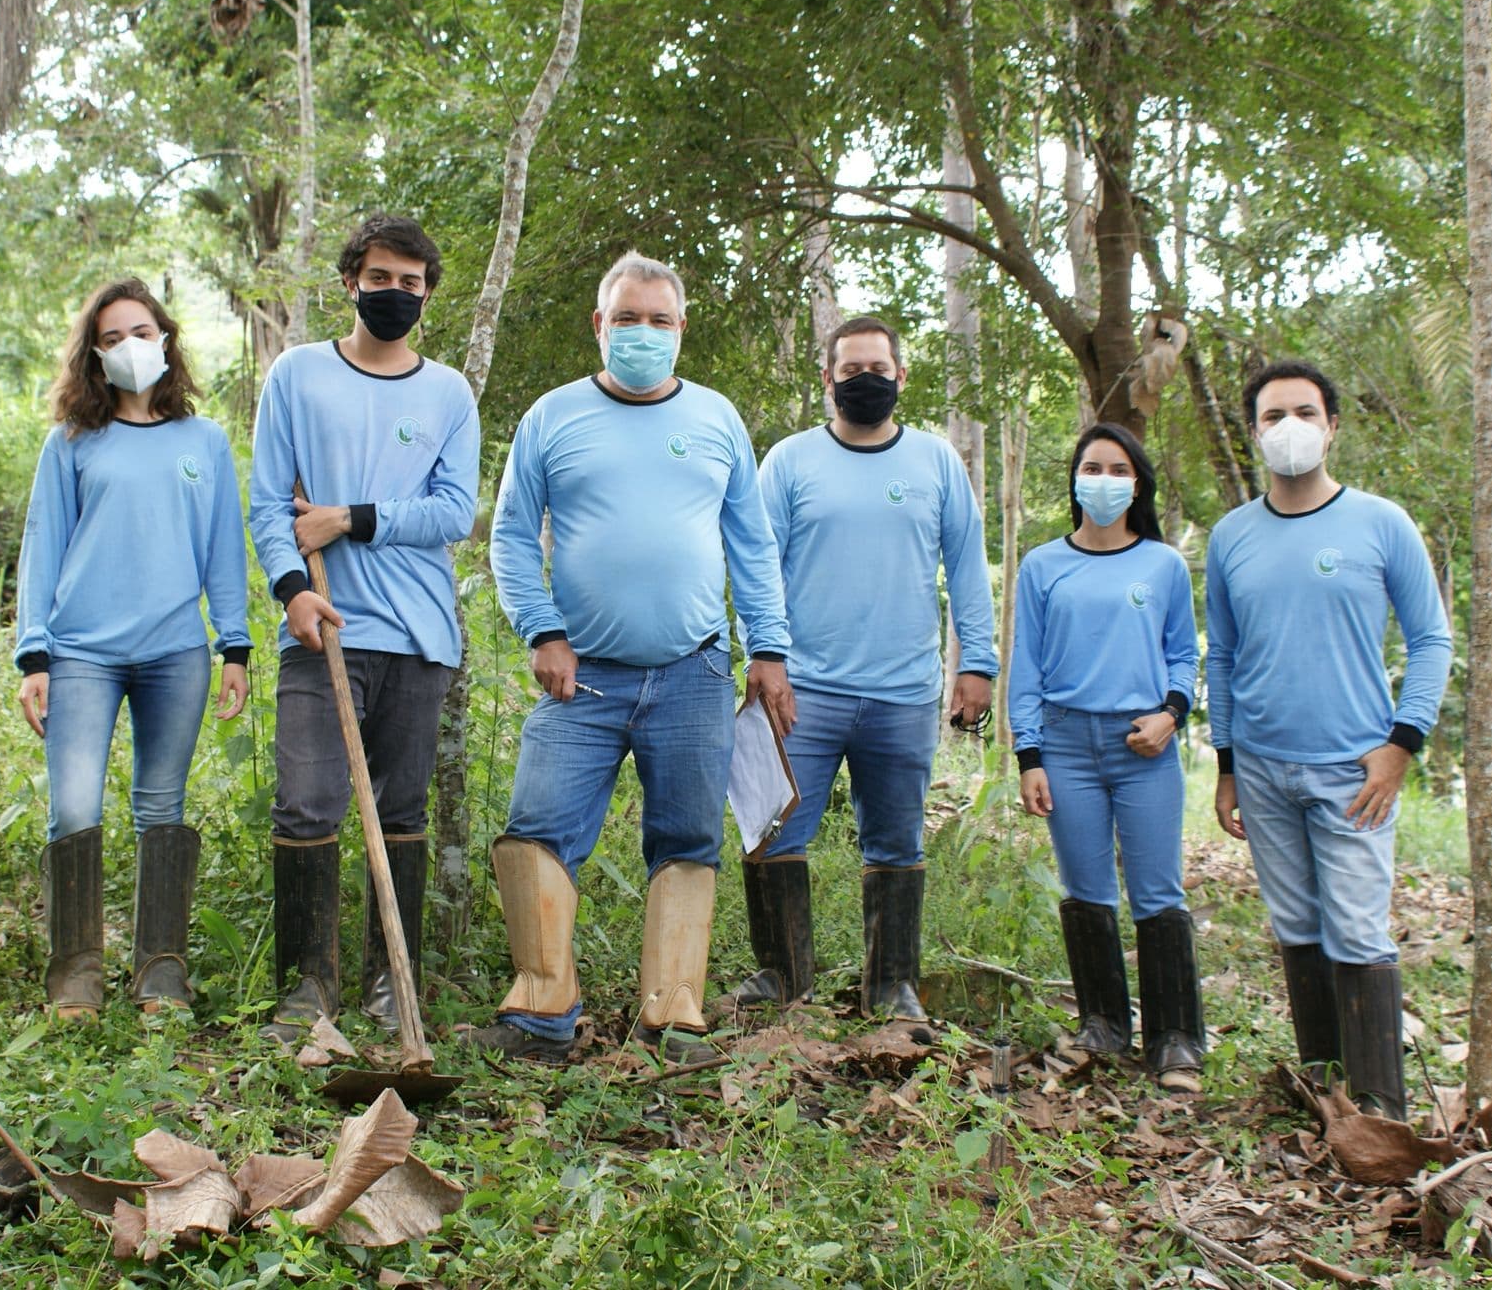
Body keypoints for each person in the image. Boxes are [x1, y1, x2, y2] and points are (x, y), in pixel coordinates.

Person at [468, 251, 795, 1064]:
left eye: (658, 320)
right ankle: (543, 1007)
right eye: (626, 318)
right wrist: (541, 630)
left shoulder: (717, 419)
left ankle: (672, 1012)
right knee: (536, 833)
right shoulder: (552, 417)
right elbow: (509, 537)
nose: (641, 332)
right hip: (581, 677)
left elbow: (752, 546)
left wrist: (771, 649)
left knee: (688, 837)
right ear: (599, 324)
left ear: (682, 330)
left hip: (694, 672)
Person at [248, 214, 481, 1042]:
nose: (394, 293)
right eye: (379, 278)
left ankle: (394, 985)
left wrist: (349, 518)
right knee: (307, 805)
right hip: (321, 630)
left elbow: (456, 509)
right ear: (351, 281)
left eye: (410, 283)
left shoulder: (448, 392)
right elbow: (270, 503)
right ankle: (306, 992)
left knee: (403, 807)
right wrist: (291, 593)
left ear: (427, 294)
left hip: (417, 635)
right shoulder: (298, 377)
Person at [1207, 360, 1453, 1119]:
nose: (1290, 428)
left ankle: (1381, 1111)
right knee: (1297, 926)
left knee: (1356, 929)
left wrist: (1401, 744)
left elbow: (1432, 638)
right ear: (1254, 432)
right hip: (1262, 765)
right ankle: (1325, 1091)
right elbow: (1222, 652)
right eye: (1273, 415)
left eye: (1305, 412)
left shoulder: (1381, 523)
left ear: (1333, 425)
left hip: (1355, 768)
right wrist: (1226, 764)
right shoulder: (1231, 536)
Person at [739, 316, 996, 1020]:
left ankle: (892, 985)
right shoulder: (789, 462)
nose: (865, 380)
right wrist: (763, 655)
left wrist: (979, 662)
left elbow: (968, 567)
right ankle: (783, 977)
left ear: (901, 376)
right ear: (827, 379)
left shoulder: (937, 463)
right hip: (803, 688)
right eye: (850, 369)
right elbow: (756, 566)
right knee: (773, 827)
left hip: (903, 693)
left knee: (896, 838)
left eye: (878, 368)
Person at [14, 278, 251, 1019]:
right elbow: (41, 547)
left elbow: (222, 552)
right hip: (82, 651)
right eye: (111, 338)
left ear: (167, 339)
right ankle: (76, 974)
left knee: (162, 805)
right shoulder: (72, 443)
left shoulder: (203, 441)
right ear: (93, 354)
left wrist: (234, 646)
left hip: (175, 651)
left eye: (140, 332)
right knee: (75, 804)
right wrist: (34, 656)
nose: (128, 348)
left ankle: (160, 972)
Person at [1010, 423, 1204, 1090]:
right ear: (1074, 478)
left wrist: (1172, 715)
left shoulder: (1163, 564)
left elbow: (1185, 652)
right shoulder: (1042, 566)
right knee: (1086, 887)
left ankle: (1176, 1038)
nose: (1103, 479)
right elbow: (1026, 668)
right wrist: (1028, 755)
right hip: (1065, 743)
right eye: (1091, 465)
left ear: (1138, 483)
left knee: (1157, 888)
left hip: (1143, 745)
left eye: (1118, 469)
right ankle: (1103, 1024)